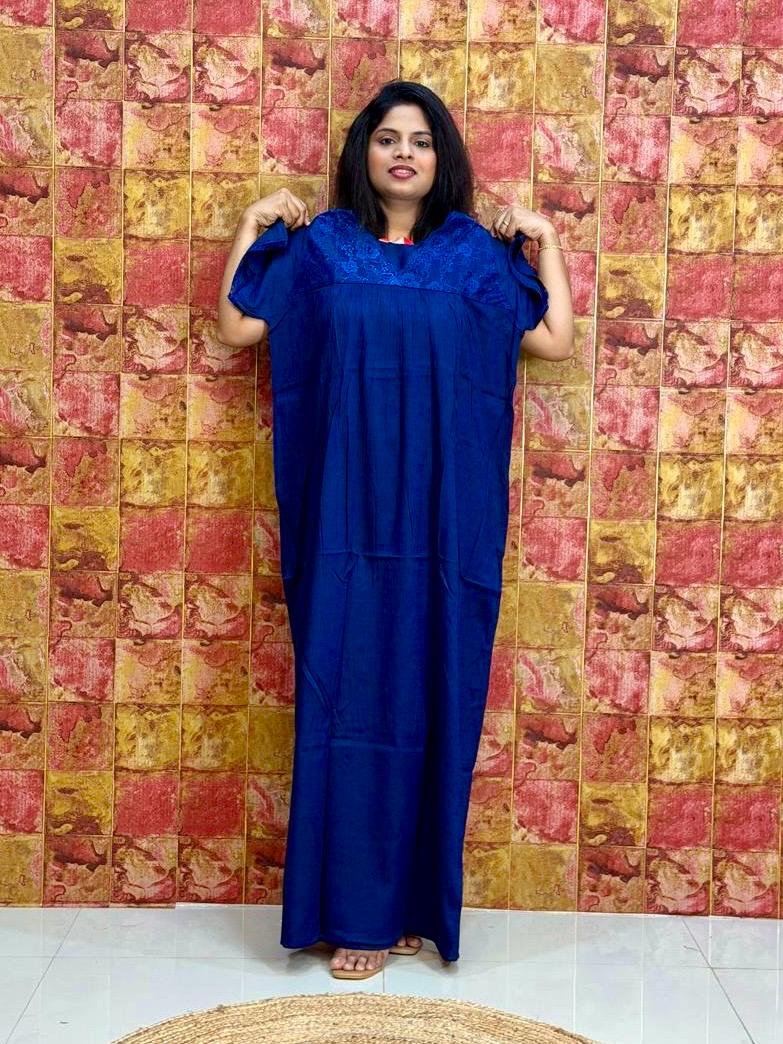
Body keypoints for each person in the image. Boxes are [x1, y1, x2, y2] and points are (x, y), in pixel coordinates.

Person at [217, 81, 574, 981]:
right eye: (386, 138)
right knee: (346, 697)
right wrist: (251, 223)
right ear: (363, 153)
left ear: (440, 156)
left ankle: (410, 907)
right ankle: (353, 915)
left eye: (419, 139)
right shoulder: (323, 249)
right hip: (343, 522)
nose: (403, 153)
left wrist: (548, 242)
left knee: (433, 694)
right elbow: (238, 326)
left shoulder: (473, 256)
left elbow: (552, 340)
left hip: (443, 529)